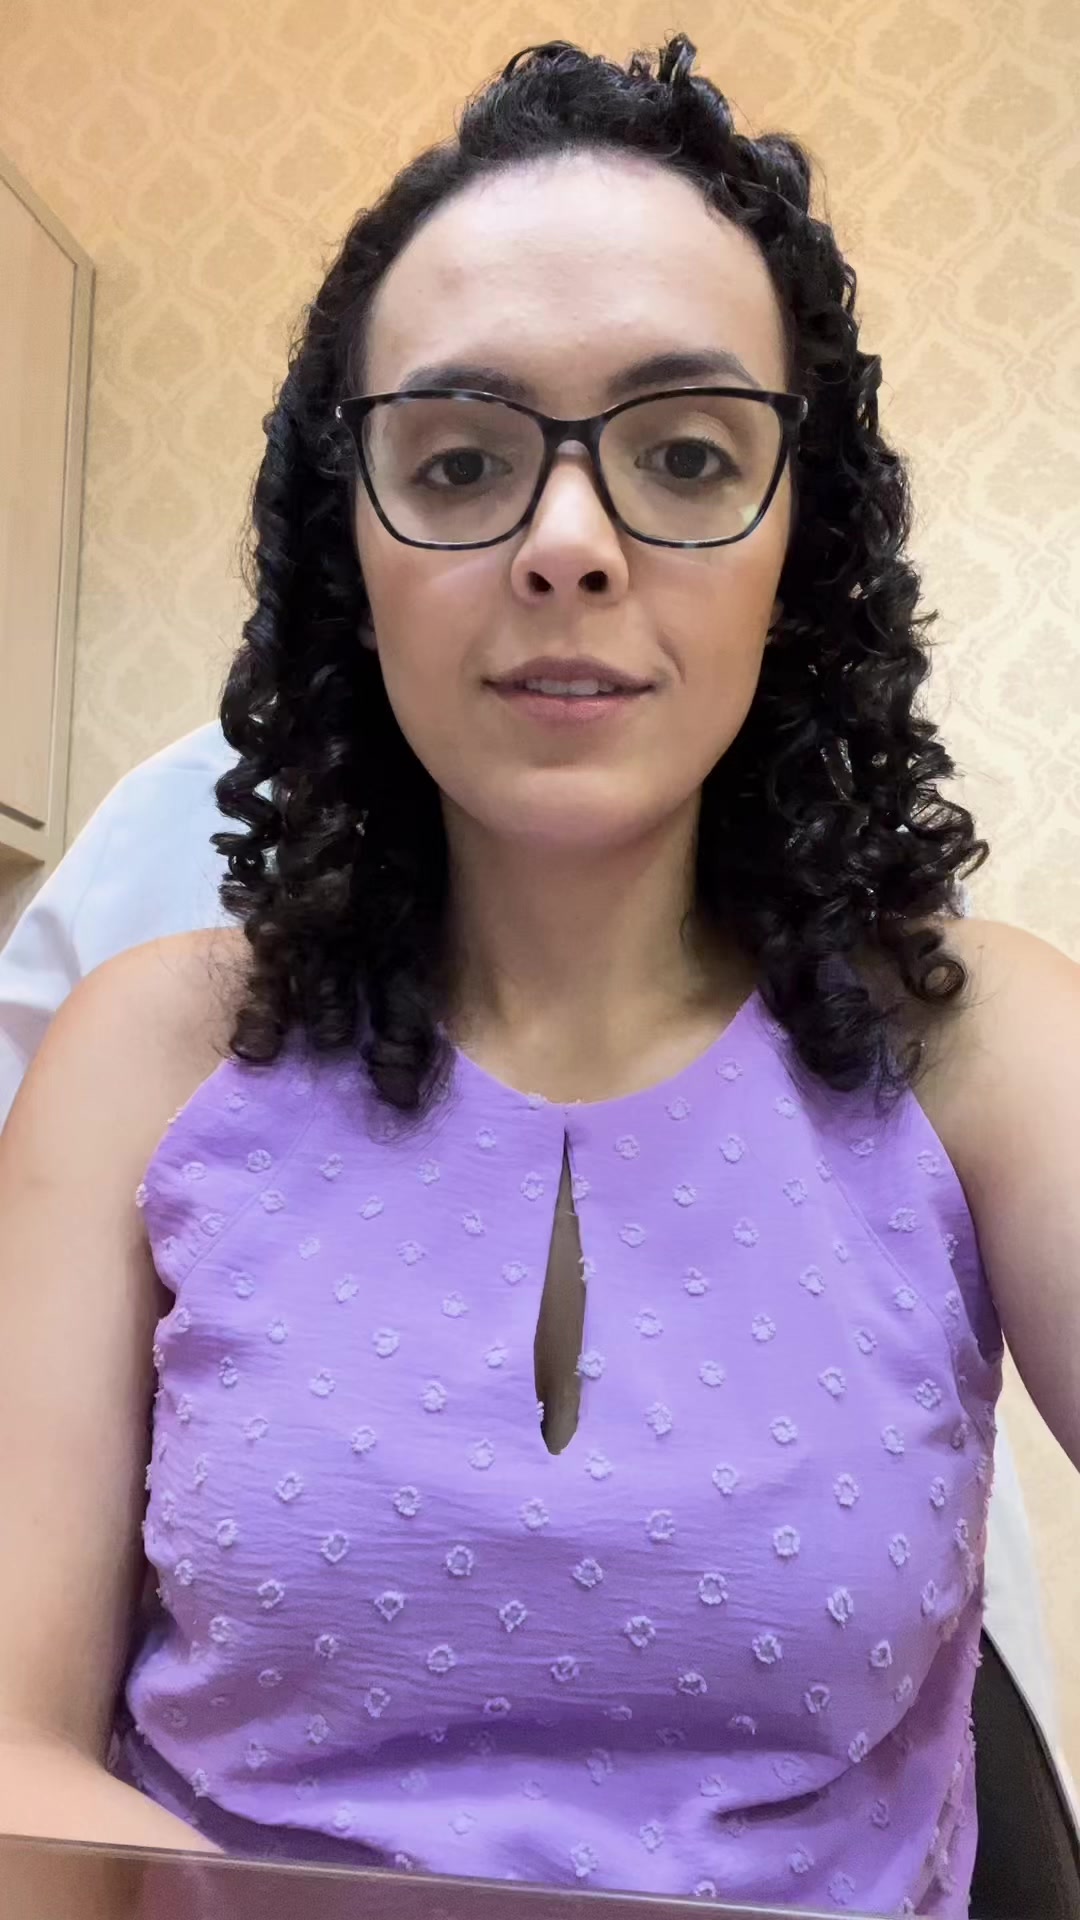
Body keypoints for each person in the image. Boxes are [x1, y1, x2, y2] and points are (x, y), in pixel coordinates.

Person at [0, 33, 1077, 1918]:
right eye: (462, 460)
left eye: (685, 454)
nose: (569, 544)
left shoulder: (983, 1048)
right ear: (352, 545)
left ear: (797, 541)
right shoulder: (141, 1058)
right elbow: (12, 1743)